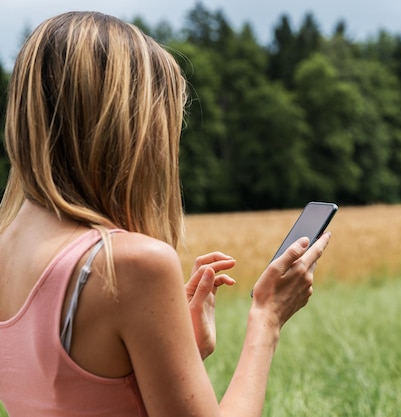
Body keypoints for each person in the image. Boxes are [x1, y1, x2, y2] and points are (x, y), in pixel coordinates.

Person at [0, 11, 331, 417]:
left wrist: (174, 351)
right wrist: (267, 317)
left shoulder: (7, 248)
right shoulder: (131, 264)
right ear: (129, 128)